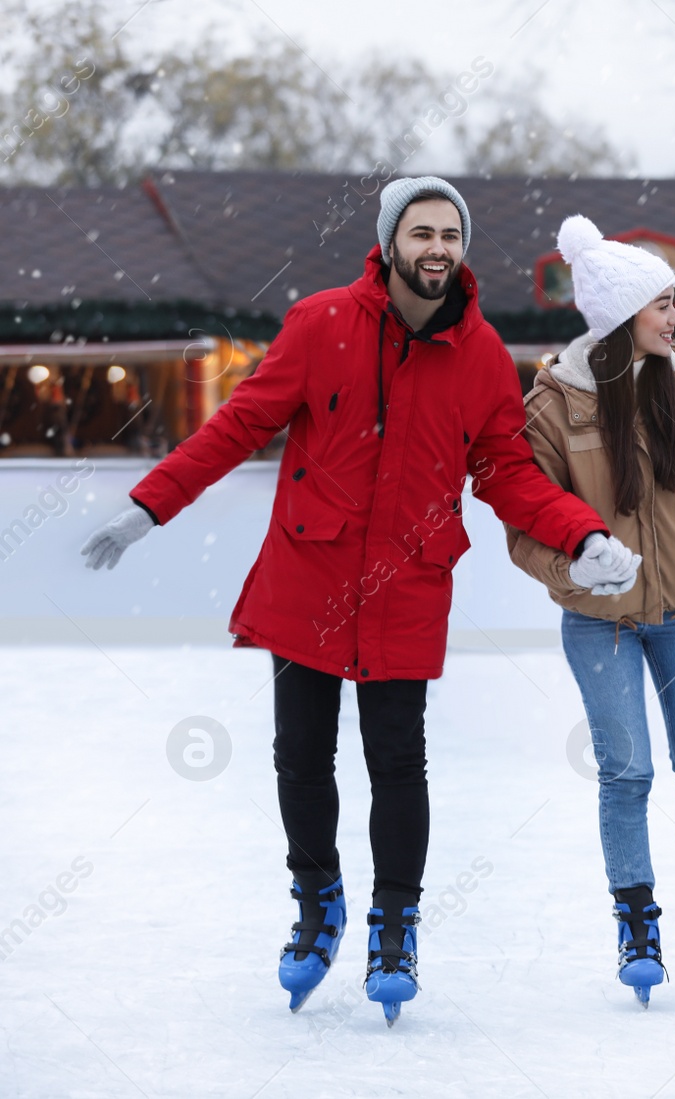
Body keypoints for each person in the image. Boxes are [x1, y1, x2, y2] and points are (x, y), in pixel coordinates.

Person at [79, 177, 638, 1025]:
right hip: (309, 572)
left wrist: (581, 535)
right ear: (389, 240)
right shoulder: (321, 323)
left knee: (396, 761)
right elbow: (239, 424)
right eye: (422, 232)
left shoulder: (481, 353)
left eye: (451, 234)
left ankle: (394, 923)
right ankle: (317, 903)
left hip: (408, 582)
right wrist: (148, 505)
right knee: (299, 756)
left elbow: (509, 472)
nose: (438, 248)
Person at [505, 215, 675, 1006]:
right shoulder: (554, 406)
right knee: (627, 771)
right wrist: (579, 566)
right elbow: (526, 526)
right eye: (664, 303)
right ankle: (637, 923)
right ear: (624, 314)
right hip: (601, 622)